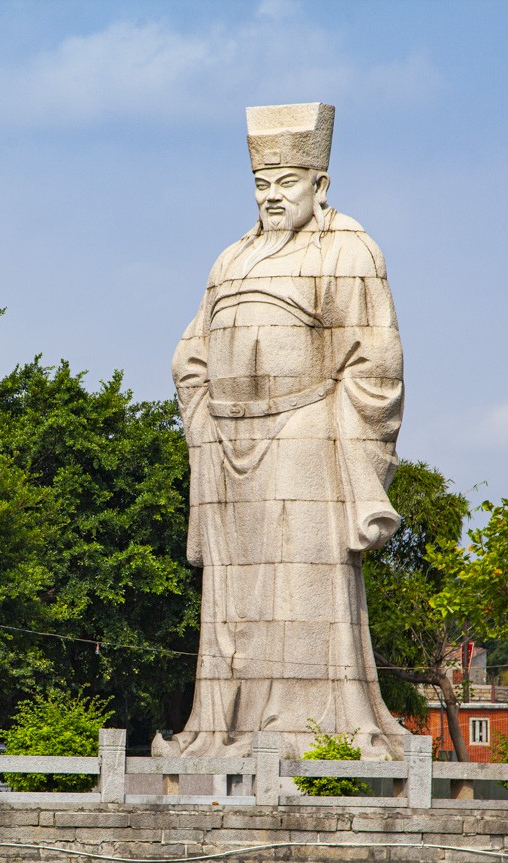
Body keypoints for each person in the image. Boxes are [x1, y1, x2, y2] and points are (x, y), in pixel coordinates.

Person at [154, 102, 410, 763]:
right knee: (234, 598)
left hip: (305, 439)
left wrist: (351, 445)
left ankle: (313, 731)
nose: (272, 197)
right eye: (262, 186)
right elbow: (191, 352)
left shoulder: (349, 249)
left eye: (286, 184)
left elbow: (376, 361)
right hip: (229, 446)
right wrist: (207, 420)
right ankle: (224, 728)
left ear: (318, 186)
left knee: (303, 584)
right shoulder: (231, 258)